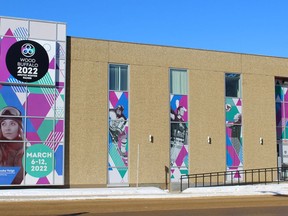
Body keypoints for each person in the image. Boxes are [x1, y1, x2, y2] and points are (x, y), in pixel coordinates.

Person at [0, 106, 24, 184]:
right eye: (3, 124)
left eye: (12, 124)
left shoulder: (27, 150)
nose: (7, 128)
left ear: (19, 127)